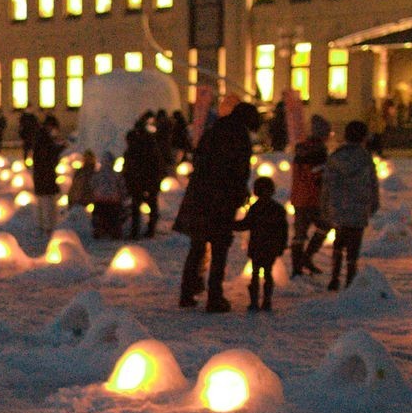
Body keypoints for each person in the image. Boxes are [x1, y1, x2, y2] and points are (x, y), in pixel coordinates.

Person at [174, 100, 260, 313]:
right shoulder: (238, 136)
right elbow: (239, 170)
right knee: (220, 246)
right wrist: (238, 192)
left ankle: (187, 292)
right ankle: (214, 296)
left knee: (197, 245)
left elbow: (199, 160)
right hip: (222, 198)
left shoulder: (213, 130)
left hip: (200, 195)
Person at [320, 120, 379, 291]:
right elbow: (372, 184)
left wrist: (325, 205)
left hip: (339, 206)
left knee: (339, 242)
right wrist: (372, 205)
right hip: (359, 208)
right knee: (354, 245)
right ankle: (350, 278)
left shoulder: (336, 157)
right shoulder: (365, 159)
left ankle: (334, 277)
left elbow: (327, 184)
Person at [235, 174, 288, 312]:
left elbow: (246, 224)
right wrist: (281, 246)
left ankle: (254, 302)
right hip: (270, 247)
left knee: (256, 275)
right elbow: (283, 230)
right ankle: (266, 301)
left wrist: (230, 225)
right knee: (268, 274)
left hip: (257, 246)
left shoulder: (256, 208)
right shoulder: (278, 209)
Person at [287, 116, 330, 275]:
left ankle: (298, 266)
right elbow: (316, 175)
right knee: (324, 225)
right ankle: (304, 259)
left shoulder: (301, 149)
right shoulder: (317, 151)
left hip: (299, 198)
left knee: (300, 233)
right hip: (313, 198)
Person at [123, 113, 162, 239]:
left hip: (139, 180)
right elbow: (156, 162)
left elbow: (129, 165)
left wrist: (128, 179)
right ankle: (150, 229)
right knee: (150, 206)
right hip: (148, 179)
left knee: (137, 206)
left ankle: (136, 231)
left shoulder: (134, 147)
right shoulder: (150, 142)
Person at [28, 114, 64, 235]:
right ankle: (47, 227)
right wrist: (60, 149)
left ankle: (45, 226)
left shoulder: (42, 138)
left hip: (43, 176)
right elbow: (48, 157)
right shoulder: (44, 140)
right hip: (45, 176)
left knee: (45, 201)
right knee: (47, 202)